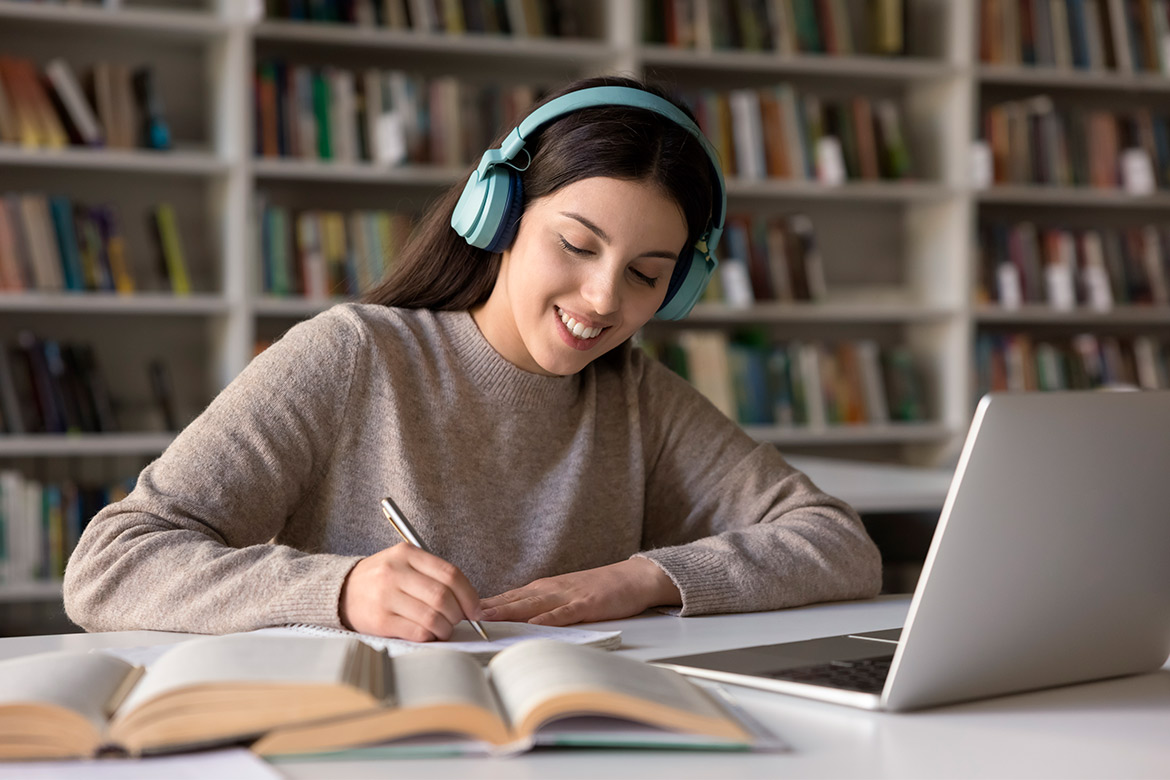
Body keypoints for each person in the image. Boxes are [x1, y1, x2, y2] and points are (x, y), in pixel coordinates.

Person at [63, 76, 881, 642]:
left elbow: (838, 543)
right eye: (576, 245)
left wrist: (638, 579)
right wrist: (339, 592)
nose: (602, 300)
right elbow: (110, 564)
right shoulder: (355, 355)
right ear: (499, 214)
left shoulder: (637, 397)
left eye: (645, 276)